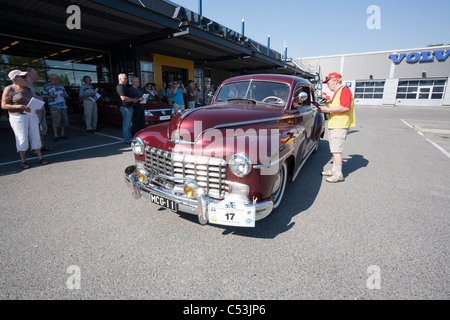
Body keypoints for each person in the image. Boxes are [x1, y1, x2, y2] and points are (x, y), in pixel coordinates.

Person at [1, 70, 48, 169]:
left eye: (25, 76)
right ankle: (23, 160)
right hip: (18, 116)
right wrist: (20, 107)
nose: (26, 78)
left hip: (31, 115)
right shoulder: (9, 89)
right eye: (23, 77)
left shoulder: (28, 89)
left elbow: (31, 102)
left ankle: (40, 157)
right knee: (22, 138)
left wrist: (36, 110)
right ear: (16, 79)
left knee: (36, 135)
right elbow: (4, 105)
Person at [319, 72, 356, 183]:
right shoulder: (338, 92)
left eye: (328, 82)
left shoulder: (344, 90)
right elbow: (337, 103)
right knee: (334, 150)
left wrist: (327, 110)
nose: (327, 85)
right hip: (335, 124)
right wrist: (327, 100)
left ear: (335, 81)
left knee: (336, 151)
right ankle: (334, 170)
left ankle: (338, 174)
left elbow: (345, 107)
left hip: (340, 125)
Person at [26, 68, 53, 153]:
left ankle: (41, 146)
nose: (37, 76)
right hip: (34, 112)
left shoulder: (34, 86)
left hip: (41, 110)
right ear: (29, 75)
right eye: (36, 74)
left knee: (42, 130)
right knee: (34, 131)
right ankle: (33, 149)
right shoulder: (26, 86)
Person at [116, 73, 142, 144]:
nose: (126, 80)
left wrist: (135, 99)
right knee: (127, 125)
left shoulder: (124, 87)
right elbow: (123, 98)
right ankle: (127, 140)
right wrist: (133, 100)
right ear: (120, 79)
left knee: (129, 125)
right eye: (124, 78)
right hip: (126, 108)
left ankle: (129, 138)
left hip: (129, 107)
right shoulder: (120, 87)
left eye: (126, 78)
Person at [43, 74, 69, 142]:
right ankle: (56, 135)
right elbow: (44, 96)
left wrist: (64, 95)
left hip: (63, 105)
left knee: (64, 120)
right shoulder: (47, 86)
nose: (55, 80)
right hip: (54, 106)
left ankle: (62, 134)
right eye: (53, 79)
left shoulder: (61, 86)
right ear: (50, 79)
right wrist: (51, 96)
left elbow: (66, 95)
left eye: (56, 78)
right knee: (56, 120)